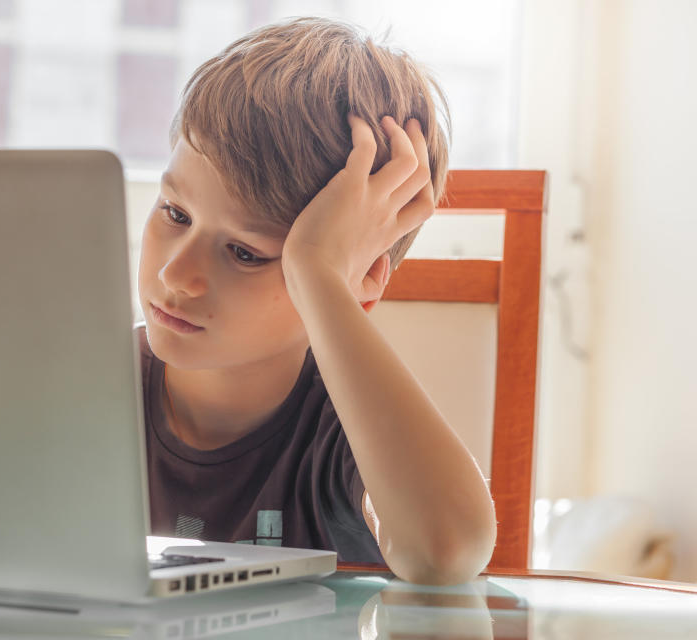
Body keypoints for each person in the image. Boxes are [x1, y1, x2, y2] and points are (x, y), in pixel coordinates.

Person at [136, 16, 497, 585]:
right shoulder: (81, 383)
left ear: (360, 276)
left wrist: (320, 273)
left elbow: (446, 550)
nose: (175, 274)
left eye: (246, 253)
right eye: (175, 214)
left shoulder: (348, 431)